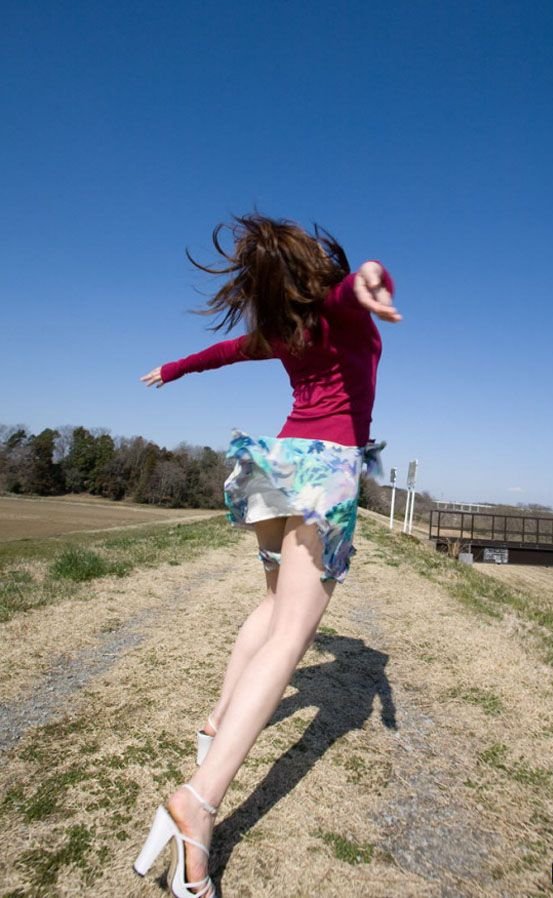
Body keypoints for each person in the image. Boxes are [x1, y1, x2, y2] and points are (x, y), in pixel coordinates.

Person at [134, 213, 401, 898]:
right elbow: (360, 281)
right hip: (325, 470)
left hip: (275, 464)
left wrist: (172, 369)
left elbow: (223, 352)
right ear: (314, 263)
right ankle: (198, 802)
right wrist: (372, 281)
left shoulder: (284, 329)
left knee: (273, 603)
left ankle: (218, 719)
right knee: (291, 637)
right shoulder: (338, 306)